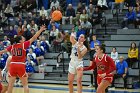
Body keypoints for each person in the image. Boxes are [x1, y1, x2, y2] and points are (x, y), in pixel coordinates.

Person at [0, 26, 46, 93]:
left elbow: (2, 52)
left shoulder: (12, 46)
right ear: (20, 40)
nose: (24, 39)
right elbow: (34, 37)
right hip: (20, 65)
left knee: (10, 85)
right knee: (25, 85)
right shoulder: (24, 45)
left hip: (12, 65)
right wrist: (40, 30)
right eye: (23, 38)